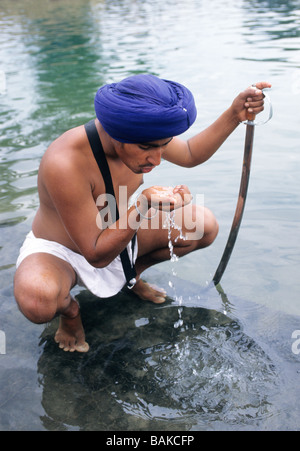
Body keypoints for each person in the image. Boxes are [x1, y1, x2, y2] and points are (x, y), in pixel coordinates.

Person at [13, 74, 271, 353]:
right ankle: (70, 313)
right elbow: (96, 255)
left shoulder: (143, 132)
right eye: (147, 148)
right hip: (63, 251)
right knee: (38, 301)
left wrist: (235, 114)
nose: (156, 159)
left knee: (203, 225)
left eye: (163, 145)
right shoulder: (65, 162)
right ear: (114, 133)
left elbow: (191, 153)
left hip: (120, 233)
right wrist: (143, 205)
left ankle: (131, 277)